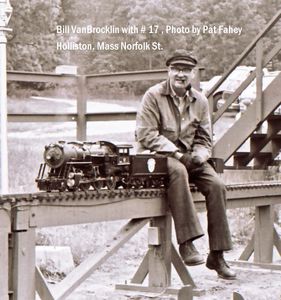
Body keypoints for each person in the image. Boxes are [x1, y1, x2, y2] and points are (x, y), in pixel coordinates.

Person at [135, 49, 236, 280]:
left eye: (186, 70)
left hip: (190, 157)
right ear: (168, 71)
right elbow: (147, 134)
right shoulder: (153, 96)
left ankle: (217, 255)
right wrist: (180, 156)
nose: (181, 74)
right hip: (158, 156)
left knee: (217, 185)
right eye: (177, 69)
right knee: (178, 170)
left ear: (192, 74)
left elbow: (204, 138)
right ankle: (187, 243)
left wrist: (200, 156)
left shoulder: (200, 101)